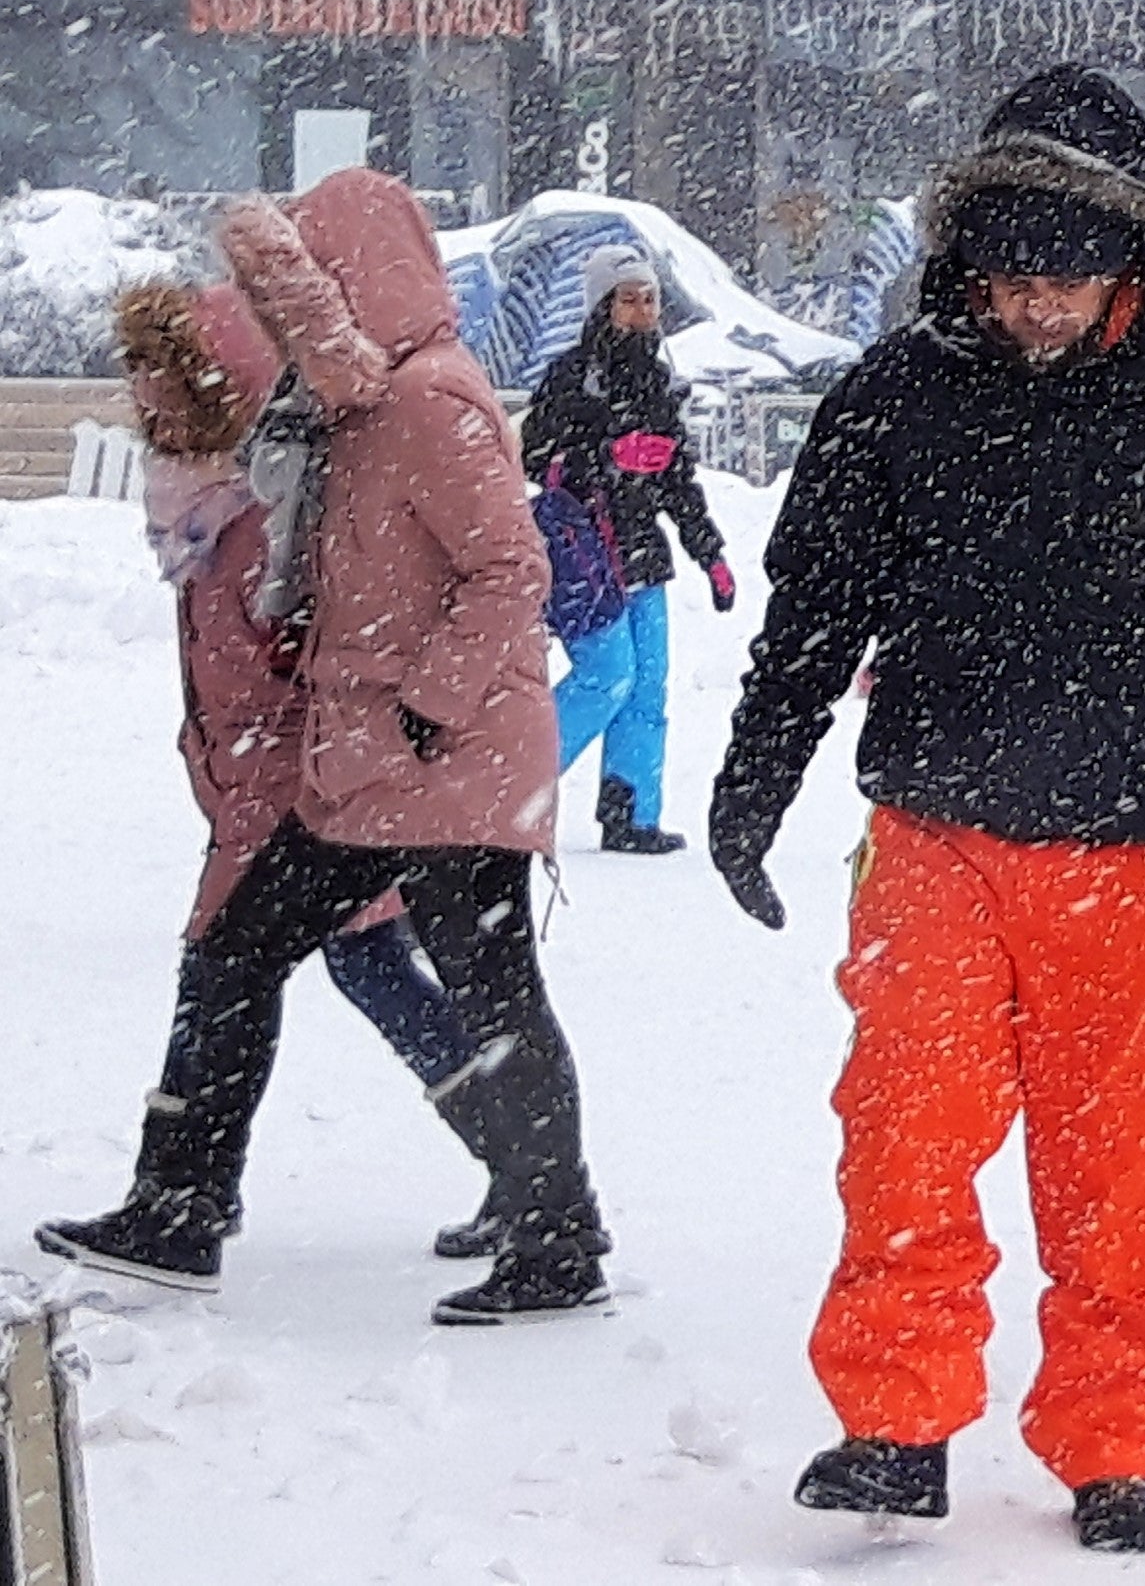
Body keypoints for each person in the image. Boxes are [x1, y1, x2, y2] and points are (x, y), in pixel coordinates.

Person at [707, 66, 1145, 1556]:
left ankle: (1114, 1439)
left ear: (1130, 257)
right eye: (1011, 275)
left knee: (1123, 1168)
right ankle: (895, 1422)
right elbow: (814, 610)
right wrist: (756, 774)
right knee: (902, 1134)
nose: (1037, 305)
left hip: (1141, 849)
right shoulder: (898, 396)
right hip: (935, 831)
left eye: (1067, 275)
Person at [39, 169, 602, 1327]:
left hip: (445, 762)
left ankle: (556, 1239)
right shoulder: (352, 405)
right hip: (368, 766)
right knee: (239, 954)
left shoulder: (432, 400)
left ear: (351, 280)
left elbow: (512, 569)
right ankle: (181, 1207)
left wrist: (425, 708)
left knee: (490, 992)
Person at [73, 281, 499, 1256]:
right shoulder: (203, 498)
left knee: (220, 971)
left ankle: (181, 1201)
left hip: (296, 793)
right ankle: (530, 1173)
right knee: (371, 969)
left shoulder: (272, 505)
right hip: (265, 787)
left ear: (220, 382)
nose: (142, 391)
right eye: (137, 370)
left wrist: (318, 776)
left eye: (161, 370)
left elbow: (314, 656)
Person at [520, 241, 736, 855]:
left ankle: (632, 813)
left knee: (647, 689)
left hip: (643, 555)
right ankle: (515, 791)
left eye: (649, 299)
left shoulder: (659, 381)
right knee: (606, 676)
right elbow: (537, 457)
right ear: (601, 306)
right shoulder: (572, 376)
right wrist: (605, 458)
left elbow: (678, 481)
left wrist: (710, 554)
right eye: (628, 299)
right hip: (584, 554)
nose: (642, 311)